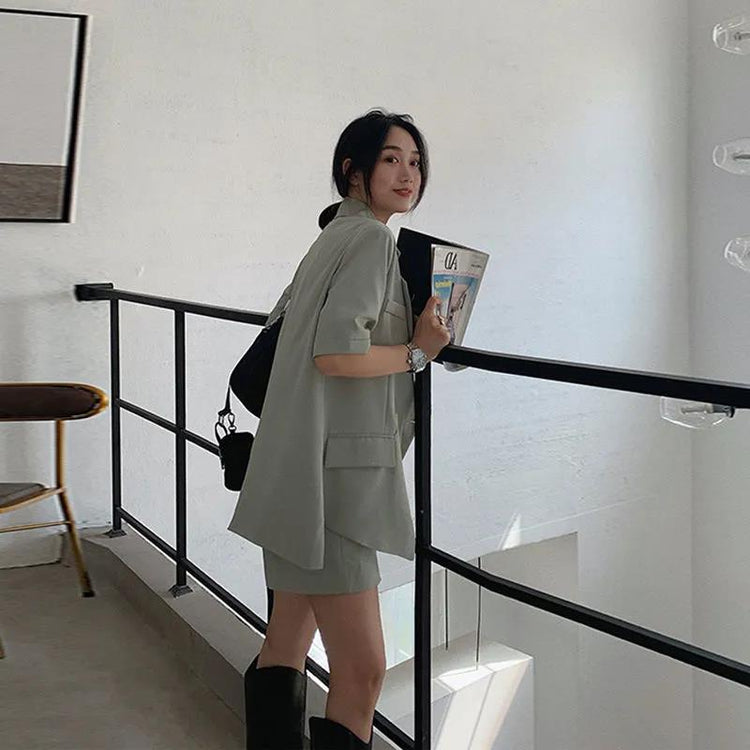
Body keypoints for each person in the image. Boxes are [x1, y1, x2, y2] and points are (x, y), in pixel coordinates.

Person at [229, 108, 451, 749]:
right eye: (391, 159)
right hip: (331, 486)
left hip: (298, 464)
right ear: (354, 170)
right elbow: (335, 354)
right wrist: (419, 352)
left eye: (415, 162)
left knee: (286, 642)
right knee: (364, 670)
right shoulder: (372, 241)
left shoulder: (336, 234)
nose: (407, 174)